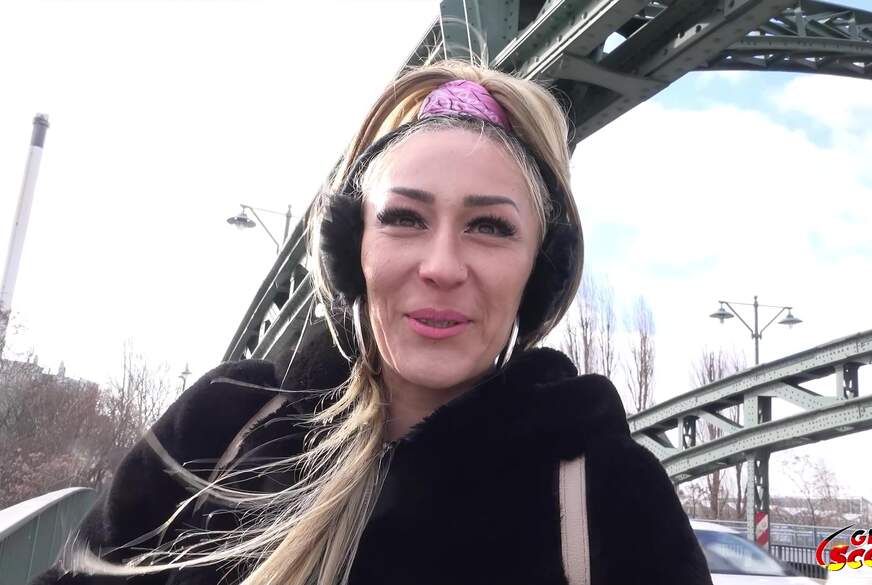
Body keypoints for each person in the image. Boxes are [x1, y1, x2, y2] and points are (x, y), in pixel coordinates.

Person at [34, 59, 712, 585]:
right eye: (404, 218)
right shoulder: (221, 424)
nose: (441, 266)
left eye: (489, 226)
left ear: (542, 271)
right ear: (349, 251)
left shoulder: (608, 496)